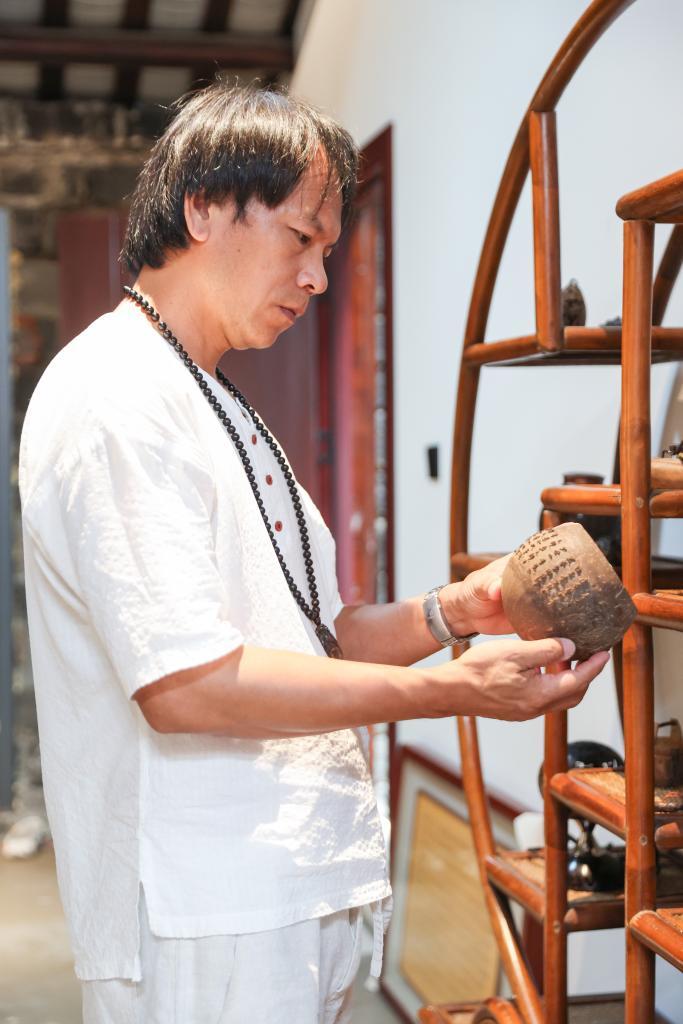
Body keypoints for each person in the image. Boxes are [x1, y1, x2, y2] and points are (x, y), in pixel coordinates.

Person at [18, 83, 609, 1024]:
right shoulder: (117, 397)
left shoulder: (211, 395)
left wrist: (451, 613)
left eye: (327, 251)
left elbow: (309, 641)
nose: (318, 278)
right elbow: (188, 688)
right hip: (203, 912)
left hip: (277, 892)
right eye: (301, 238)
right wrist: (453, 691)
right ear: (203, 207)